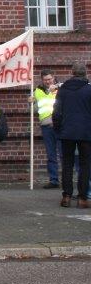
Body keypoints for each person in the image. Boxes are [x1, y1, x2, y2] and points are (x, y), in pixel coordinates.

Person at [53, 62, 91, 208]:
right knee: (85, 165)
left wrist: (58, 129)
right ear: (85, 73)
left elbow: (56, 112)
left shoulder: (63, 90)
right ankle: (82, 198)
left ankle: (67, 196)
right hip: (86, 132)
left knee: (67, 164)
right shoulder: (89, 90)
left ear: (72, 72)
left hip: (67, 132)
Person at [33, 70, 60, 189]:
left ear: (53, 78)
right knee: (51, 155)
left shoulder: (60, 89)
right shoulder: (37, 91)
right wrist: (31, 103)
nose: (48, 81)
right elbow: (35, 110)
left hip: (60, 126)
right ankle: (54, 180)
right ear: (42, 80)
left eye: (50, 79)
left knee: (65, 154)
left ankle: (66, 179)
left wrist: (57, 86)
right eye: (45, 80)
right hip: (46, 126)